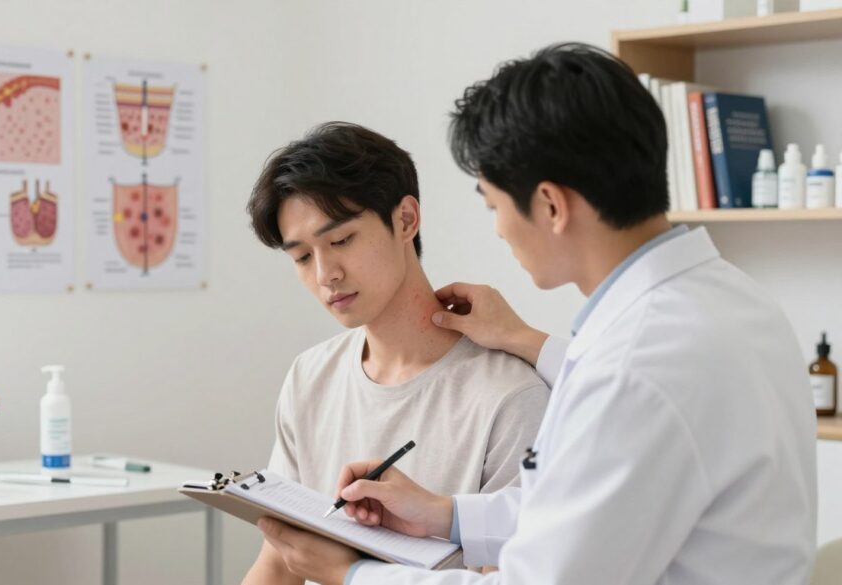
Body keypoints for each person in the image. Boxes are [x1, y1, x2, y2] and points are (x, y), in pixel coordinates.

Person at [256, 43, 817, 585]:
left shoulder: (634, 366)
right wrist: (443, 514)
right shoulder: (732, 303)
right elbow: (585, 512)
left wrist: (352, 574)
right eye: (301, 256)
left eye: (494, 204)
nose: (498, 228)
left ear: (549, 205)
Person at [242, 122, 550, 584]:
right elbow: (279, 561)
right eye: (302, 258)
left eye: (340, 240)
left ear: (405, 220)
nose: (325, 274)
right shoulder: (310, 376)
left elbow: (512, 575)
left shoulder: (509, 396)